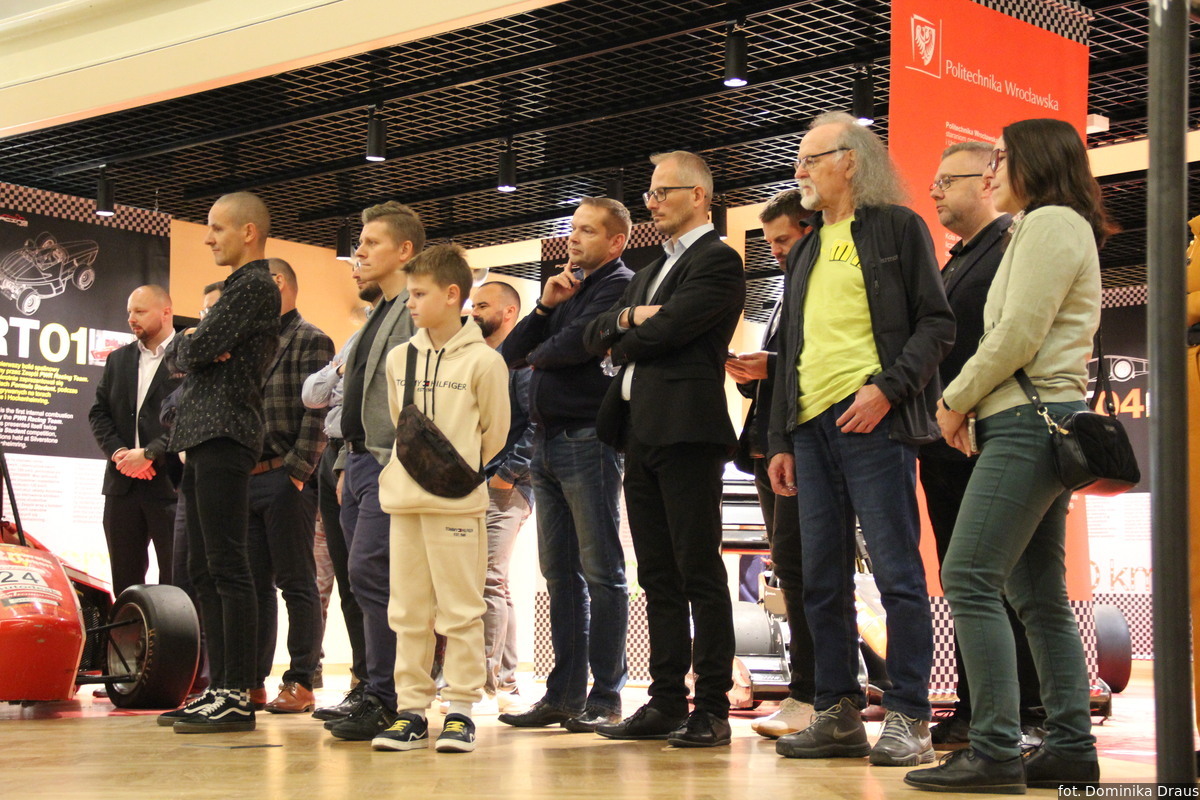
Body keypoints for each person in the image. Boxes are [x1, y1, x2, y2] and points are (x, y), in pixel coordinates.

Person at [906, 118, 1110, 792]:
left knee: (969, 576)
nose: (992, 170)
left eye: (1000, 157)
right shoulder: (1049, 225)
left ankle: (994, 749)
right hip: (1036, 420)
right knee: (1036, 591)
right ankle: (1070, 747)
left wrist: (953, 400)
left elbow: (1018, 332)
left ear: (1035, 160)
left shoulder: (1049, 223)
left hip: (1026, 422)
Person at [766, 112, 953, 766]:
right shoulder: (807, 248)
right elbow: (791, 352)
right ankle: (838, 713)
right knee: (818, 577)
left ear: (850, 160)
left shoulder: (898, 228)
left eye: (811, 159)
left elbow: (937, 324)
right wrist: (780, 437)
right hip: (810, 429)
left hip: (873, 419)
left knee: (898, 572)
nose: (800, 172)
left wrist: (887, 389)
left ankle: (909, 715)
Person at [584, 152, 744, 748]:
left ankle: (713, 707)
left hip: (687, 431)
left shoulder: (718, 260)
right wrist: (630, 318)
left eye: (663, 192)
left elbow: (670, 330)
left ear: (700, 195)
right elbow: (593, 333)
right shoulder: (651, 270)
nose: (652, 203)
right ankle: (666, 699)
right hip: (639, 432)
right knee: (655, 573)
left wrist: (624, 333)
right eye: (649, 194)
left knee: (698, 569)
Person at [917, 142, 1042, 748]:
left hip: (985, 432)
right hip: (946, 440)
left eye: (947, 180)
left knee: (996, 578)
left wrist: (959, 405)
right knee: (965, 576)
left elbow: (1005, 339)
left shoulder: (1012, 246)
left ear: (985, 183)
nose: (935, 191)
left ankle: (1022, 711)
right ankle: (978, 706)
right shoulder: (958, 260)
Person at [498, 197, 633, 733]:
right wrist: (543, 307)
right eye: (572, 228)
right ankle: (564, 695)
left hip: (588, 440)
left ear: (616, 241)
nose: (573, 238)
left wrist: (545, 348)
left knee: (602, 572)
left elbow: (575, 347)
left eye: (587, 231)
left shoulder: (621, 285)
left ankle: (607, 695)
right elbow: (513, 352)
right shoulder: (565, 289)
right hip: (547, 443)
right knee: (559, 574)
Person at [370, 244, 509, 754]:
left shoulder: (485, 361)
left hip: (457, 503)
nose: (410, 303)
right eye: (409, 294)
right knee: (407, 610)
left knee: (461, 608)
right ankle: (411, 711)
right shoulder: (398, 358)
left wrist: (457, 474)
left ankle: (462, 710)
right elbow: (400, 424)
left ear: (453, 295)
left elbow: (494, 433)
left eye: (419, 294)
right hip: (405, 501)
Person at [157, 191, 282, 733]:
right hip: (206, 437)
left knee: (228, 565)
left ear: (248, 232)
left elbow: (193, 350)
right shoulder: (236, 288)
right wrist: (195, 341)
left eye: (216, 228)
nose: (208, 238)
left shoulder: (254, 285)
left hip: (226, 435)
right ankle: (219, 686)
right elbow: (187, 349)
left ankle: (236, 691)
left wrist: (196, 342)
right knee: (204, 568)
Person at [724, 189, 816, 739]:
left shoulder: (819, 284)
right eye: (771, 243)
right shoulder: (786, 290)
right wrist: (755, 374)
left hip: (801, 447)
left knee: (804, 572)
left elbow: (824, 363)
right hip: (768, 446)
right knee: (791, 568)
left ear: (809, 229)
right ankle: (811, 693)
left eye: (783, 239)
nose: (776, 251)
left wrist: (771, 367)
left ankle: (814, 693)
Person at [327, 201, 421, 741]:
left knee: (372, 573)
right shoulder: (376, 314)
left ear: (404, 251)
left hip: (390, 462)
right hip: (359, 460)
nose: (358, 252)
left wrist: (391, 461)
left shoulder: (413, 308)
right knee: (361, 578)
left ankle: (389, 697)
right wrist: (346, 460)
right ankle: (374, 687)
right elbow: (353, 397)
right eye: (359, 242)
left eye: (370, 243)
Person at [246, 258, 334, 714]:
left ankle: (301, 679)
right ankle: (252, 681)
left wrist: (298, 471)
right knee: (254, 585)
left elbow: (318, 414)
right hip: (248, 475)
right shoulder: (251, 340)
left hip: (287, 475)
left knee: (297, 582)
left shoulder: (311, 338)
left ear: (277, 283)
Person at [303, 268, 381, 720]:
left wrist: (348, 462)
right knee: (350, 580)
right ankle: (363, 682)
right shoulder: (356, 337)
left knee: (366, 576)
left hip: (360, 453)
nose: (358, 262)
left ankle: (378, 686)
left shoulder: (396, 332)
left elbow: (354, 398)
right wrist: (338, 369)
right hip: (333, 453)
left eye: (369, 247)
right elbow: (312, 394)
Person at [88, 285, 182, 596]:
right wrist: (119, 453)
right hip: (122, 486)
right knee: (125, 585)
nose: (131, 318)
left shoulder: (189, 358)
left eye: (140, 311)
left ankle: (174, 633)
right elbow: (99, 413)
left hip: (170, 485)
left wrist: (150, 454)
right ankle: (128, 630)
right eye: (130, 311)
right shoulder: (119, 359)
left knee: (176, 586)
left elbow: (191, 419)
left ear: (166, 312)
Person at [469, 281, 535, 714]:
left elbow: (536, 424)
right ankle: (507, 680)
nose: (473, 312)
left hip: (506, 486)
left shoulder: (523, 363)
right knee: (495, 582)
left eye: (482, 305)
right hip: (476, 483)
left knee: (488, 579)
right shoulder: (480, 360)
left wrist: (506, 476)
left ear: (509, 312)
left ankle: (482, 683)